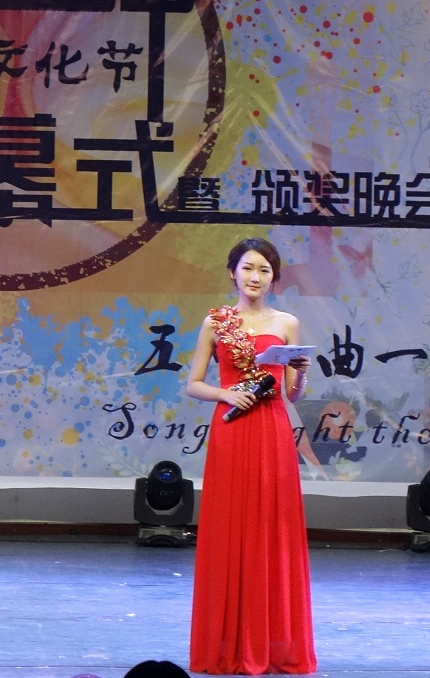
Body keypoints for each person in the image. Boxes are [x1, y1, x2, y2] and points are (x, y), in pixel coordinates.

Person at [185, 237, 315, 675]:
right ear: (233, 272)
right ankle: (228, 643)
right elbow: (193, 384)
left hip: (272, 431)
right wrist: (226, 394)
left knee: (271, 529)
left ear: (274, 277)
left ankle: (270, 643)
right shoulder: (216, 322)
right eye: (247, 268)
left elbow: (292, 394)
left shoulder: (287, 323)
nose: (255, 277)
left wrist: (299, 375)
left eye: (264, 269)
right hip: (232, 430)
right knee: (230, 528)